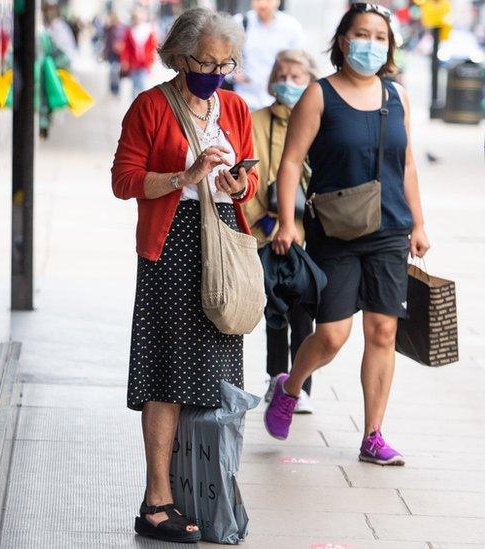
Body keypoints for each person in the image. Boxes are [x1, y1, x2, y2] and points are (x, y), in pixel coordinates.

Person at [111, 8, 256, 542]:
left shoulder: (235, 107)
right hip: (171, 247)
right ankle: (157, 500)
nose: (216, 72)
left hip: (223, 244)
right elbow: (124, 181)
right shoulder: (151, 107)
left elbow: (250, 178)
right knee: (167, 374)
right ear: (179, 56)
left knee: (216, 380)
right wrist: (186, 175)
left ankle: (204, 490)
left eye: (226, 63)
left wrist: (240, 184)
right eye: (206, 61)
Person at [266, 3, 430, 466]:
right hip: (335, 230)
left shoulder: (398, 96)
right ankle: (290, 386)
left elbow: (408, 162)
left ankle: (373, 435)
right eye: (362, 34)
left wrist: (419, 222)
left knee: (382, 331)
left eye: (380, 37)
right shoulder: (319, 95)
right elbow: (291, 162)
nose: (371, 44)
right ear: (342, 41)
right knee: (333, 336)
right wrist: (284, 220)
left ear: (390, 46)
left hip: (390, 228)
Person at [241, 49, 319, 413]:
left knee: (304, 312)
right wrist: (265, 222)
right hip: (266, 232)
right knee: (275, 309)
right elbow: (247, 179)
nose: (288, 84)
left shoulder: (320, 122)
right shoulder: (255, 121)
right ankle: (276, 378)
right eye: (282, 76)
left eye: (297, 78)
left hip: (308, 235)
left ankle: (300, 385)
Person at [232, 0, 305, 111]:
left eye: (268, 0)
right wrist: (234, 74)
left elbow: (300, 62)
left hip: (278, 100)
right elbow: (225, 55)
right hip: (245, 98)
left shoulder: (291, 27)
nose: (262, 4)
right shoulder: (240, 22)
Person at [121, 6, 158, 99]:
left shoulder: (149, 30)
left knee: (141, 85)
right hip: (133, 63)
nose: (137, 19)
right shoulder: (130, 31)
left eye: (139, 16)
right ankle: (135, 107)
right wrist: (124, 61)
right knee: (134, 86)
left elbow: (153, 47)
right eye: (135, 17)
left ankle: (141, 106)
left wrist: (151, 61)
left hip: (144, 64)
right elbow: (126, 48)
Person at [101, 11, 127, 97]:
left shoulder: (123, 28)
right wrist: (105, 52)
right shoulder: (109, 29)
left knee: (115, 72)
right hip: (111, 54)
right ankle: (112, 89)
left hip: (119, 54)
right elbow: (107, 41)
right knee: (112, 72)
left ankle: (116, 90)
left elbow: (126, 41)